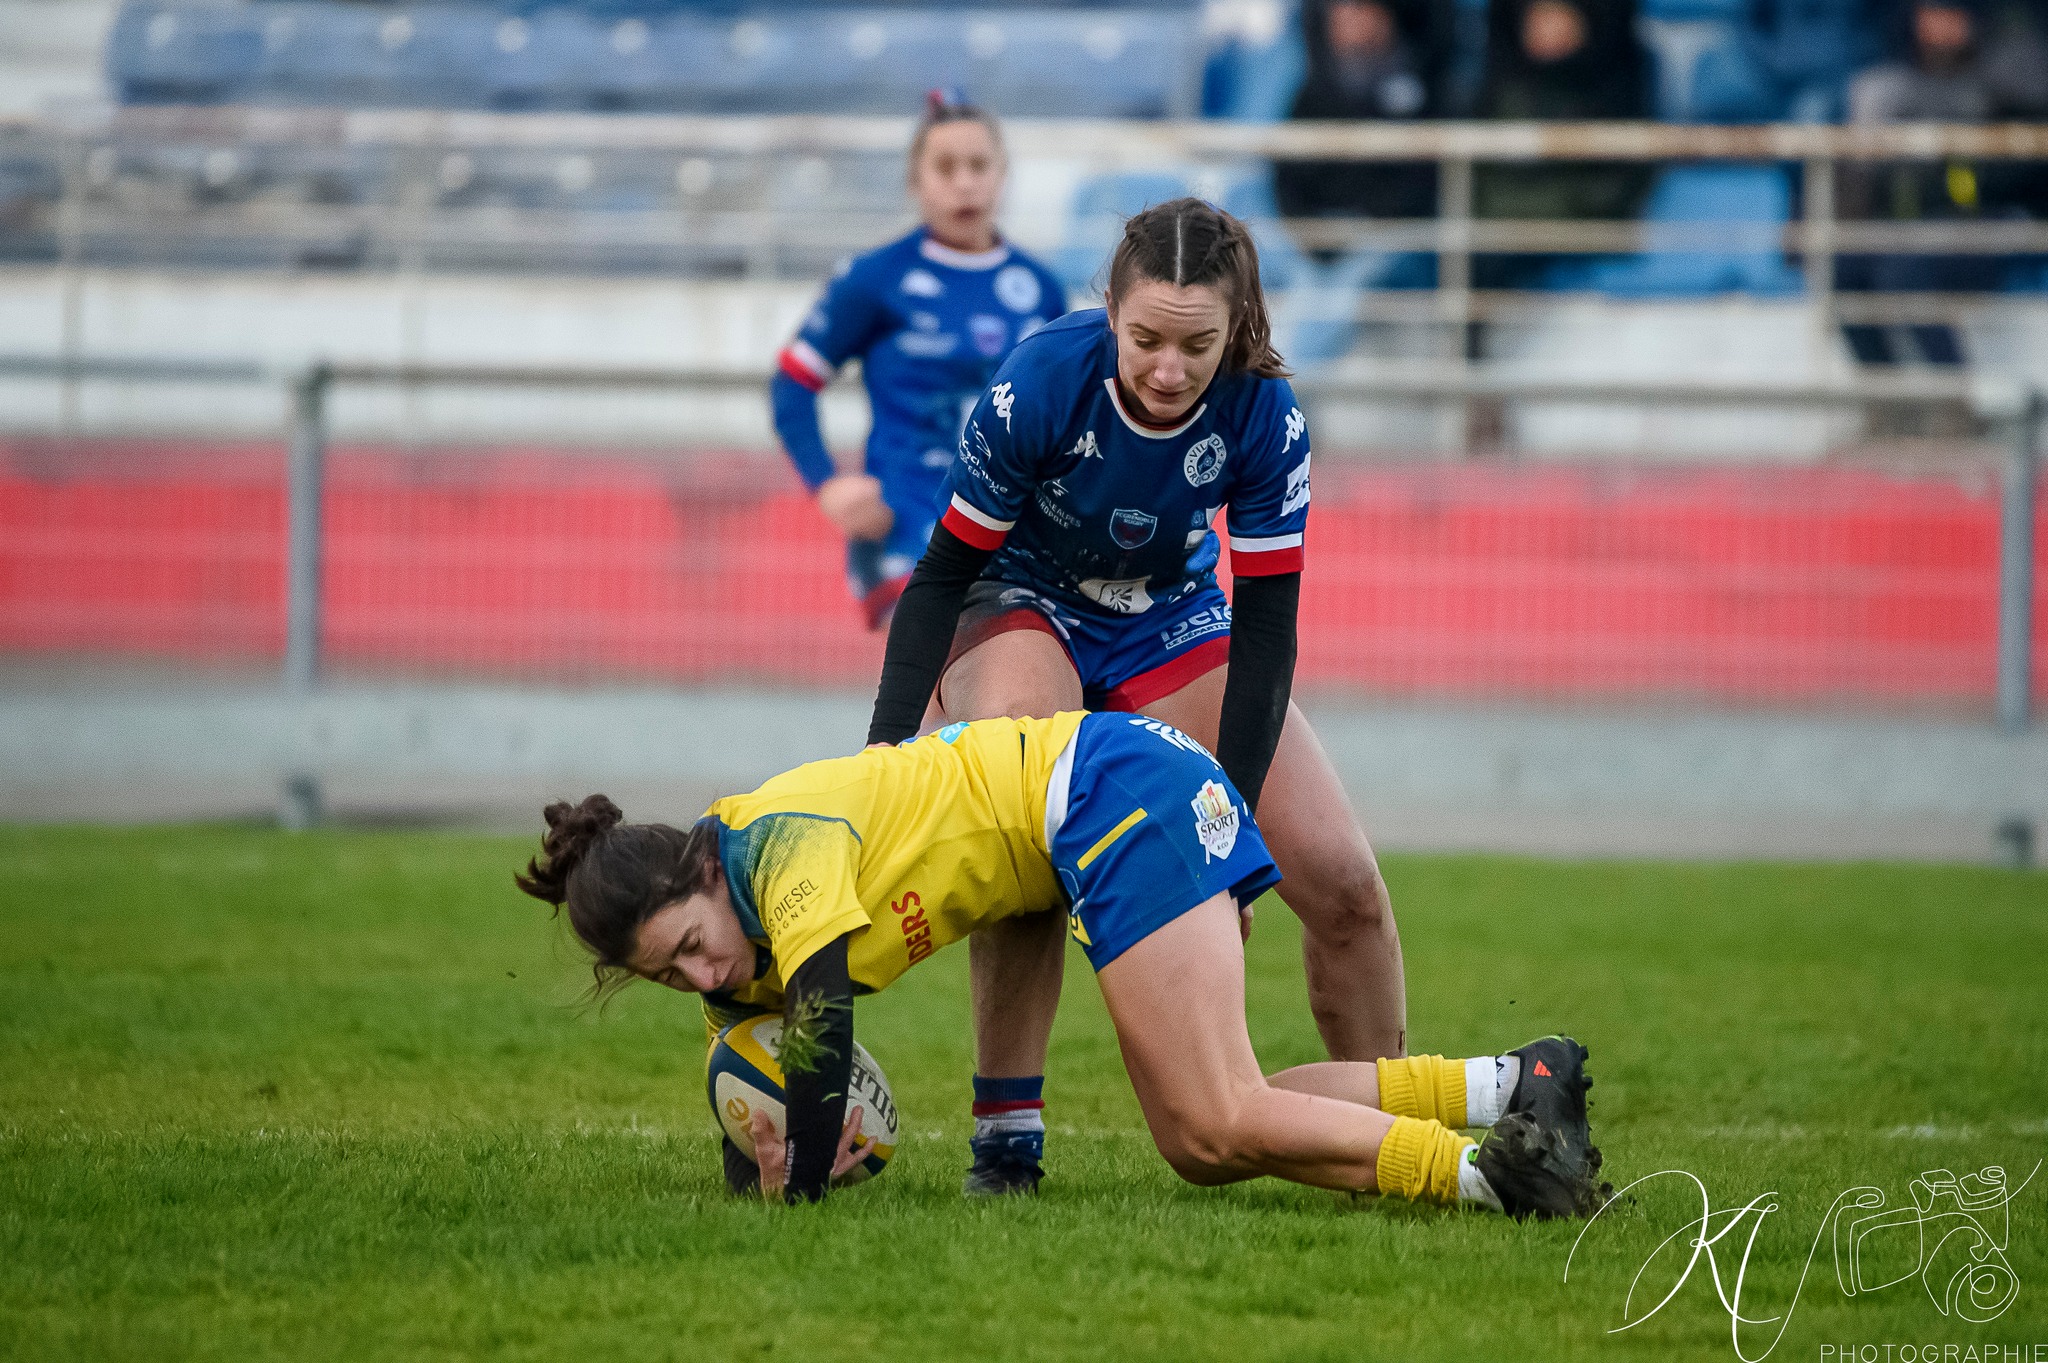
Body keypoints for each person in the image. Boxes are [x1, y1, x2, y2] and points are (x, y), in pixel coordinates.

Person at [514, 711, 1607, 1215]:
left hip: (1113, 791)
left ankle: (1497, 1176)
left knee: (1217, 1115)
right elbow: (759, 1080)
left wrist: (800, 1181)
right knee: (1204, 1135)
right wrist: (755, 1158)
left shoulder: (775, 845)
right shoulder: (727, 947)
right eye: (670, 978)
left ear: (704, 868)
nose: (702, 981)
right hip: (1104, 806)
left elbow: (819, 1027)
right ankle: (1515, 1086)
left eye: (692, 947)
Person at [865, 198, 1408, 1198]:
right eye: (1144, 339)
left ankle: (1388, 1139)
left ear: (1235, 328)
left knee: (1342, 883)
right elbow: (940, 574)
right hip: (1016, 597)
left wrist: (1226, 836)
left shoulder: (1263, 414)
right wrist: (884, 755)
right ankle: (1007, 1142)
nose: (1167, 368)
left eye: (1195, 345)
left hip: (1168, 618)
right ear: (1107, 312)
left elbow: (1265, 628)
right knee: (1021, 803)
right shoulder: (1038, 382)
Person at [770, 90, 1068, 629]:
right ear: (915, 183)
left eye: (979, 166)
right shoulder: (873, 279)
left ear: (1002, 176)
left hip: (1014, 526)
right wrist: (827, 484)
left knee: (1003, 699)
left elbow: (1066, 412)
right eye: (945, 167)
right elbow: (792, 384)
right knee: (939, 671)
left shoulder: (1040, 288)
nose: (965, 181)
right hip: (906, 524)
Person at [1840, 0, 2007, 371]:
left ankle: (1953, 399)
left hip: (1978, 231)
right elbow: (1862, 170)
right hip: (1905, 229)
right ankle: (1886, 401)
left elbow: (1997, 180)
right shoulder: (1884, 86)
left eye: (1952, 14)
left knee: (1904, 272)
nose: (1940, 26)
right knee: (1842, 269)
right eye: (1931, 13)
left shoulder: (1997, 85)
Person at [1470, 0, 1652, 291]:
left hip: (1586, 237)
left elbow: (1621, 182)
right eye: (1537, 15)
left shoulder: (1619, 89)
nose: (1546, 27)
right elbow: (1479, 179)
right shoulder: (1500, 90)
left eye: (1557, 14)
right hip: (1502, 246)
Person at [1274, 0, 1449, 243]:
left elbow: (1424, 180)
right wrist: (1319, 241)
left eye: (1359, 9)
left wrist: (1377, 220)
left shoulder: (1422, 87)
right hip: (1324, 239)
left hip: (1398, 237)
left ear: (1385, 16)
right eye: (1339, 12)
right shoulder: (1310, 96)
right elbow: (1289, 183)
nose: (1348, 20)